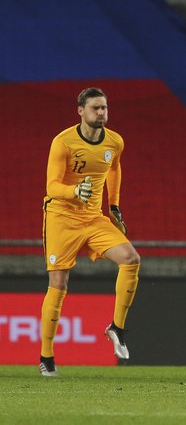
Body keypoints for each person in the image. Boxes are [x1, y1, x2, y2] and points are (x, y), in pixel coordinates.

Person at [40, 87, 140, 377]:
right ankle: (47, 357)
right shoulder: (63, 142)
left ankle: (117, 328)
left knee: (131, 259)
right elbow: (51, 187)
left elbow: (114, 169)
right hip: (61, 217)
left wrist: (115, 207)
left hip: (93, 218)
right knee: (58, 284)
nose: (101, 113)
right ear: (80, 111)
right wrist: (75, 190)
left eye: (105, 108)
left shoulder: (114, 141)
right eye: (96, 108)